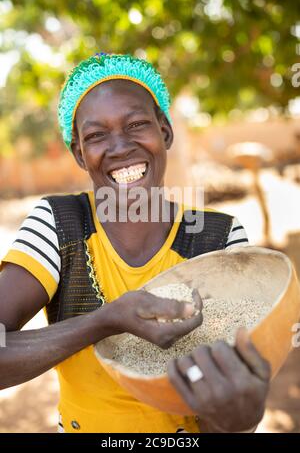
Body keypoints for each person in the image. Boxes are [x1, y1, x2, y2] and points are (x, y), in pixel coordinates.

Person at [0, 53, 270, 433]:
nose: (120, 146)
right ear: (80, 154)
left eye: (137, 124)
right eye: (96, 135)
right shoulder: (59, 225)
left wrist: (238, 421)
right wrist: (103, 322)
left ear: (165, 131)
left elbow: (229, 401)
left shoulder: (219, 238)